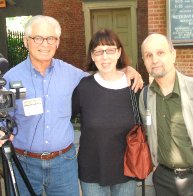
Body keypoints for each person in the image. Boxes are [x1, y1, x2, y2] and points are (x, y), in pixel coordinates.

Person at [0, 15, 143, 196]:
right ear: (26, 41)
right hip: (24, 162)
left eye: (51, 38)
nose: (45, 44)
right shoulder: (11, 78)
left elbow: (103, 74)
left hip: (63, 164)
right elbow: (3, 116)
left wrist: (126, 70)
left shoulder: (72, 75)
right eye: (38, 38)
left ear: (57, 42)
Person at [72, 28, 138, 196]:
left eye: (110, 50)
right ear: (93, 56)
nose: (105, 56)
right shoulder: (83, 87)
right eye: (99, 52)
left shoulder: (134, 87)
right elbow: (64, 118)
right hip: (92, 169)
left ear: (119, 52)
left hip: (127, 169)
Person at [139, 33, 193, 196]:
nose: (154, 59)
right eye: (149, 55)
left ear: (173, 55)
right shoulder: (144, 97)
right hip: (163, 180)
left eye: (160, 53)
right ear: (144, 61)